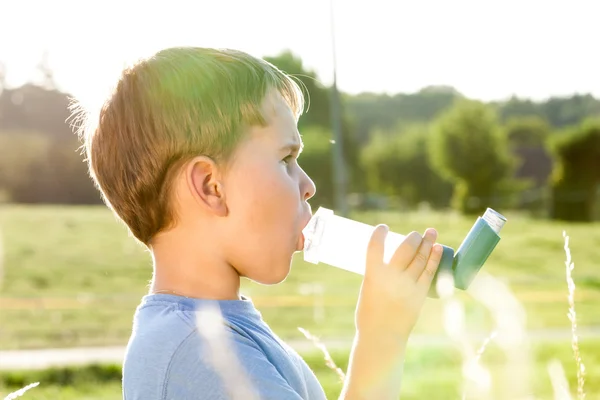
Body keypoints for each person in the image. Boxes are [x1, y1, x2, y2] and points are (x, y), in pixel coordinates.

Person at [75, 46, 443, 400]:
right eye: (285, 159)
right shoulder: (197, 351)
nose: (308, 186)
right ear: (211, 187)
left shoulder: (213, 334)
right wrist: (383, 338)